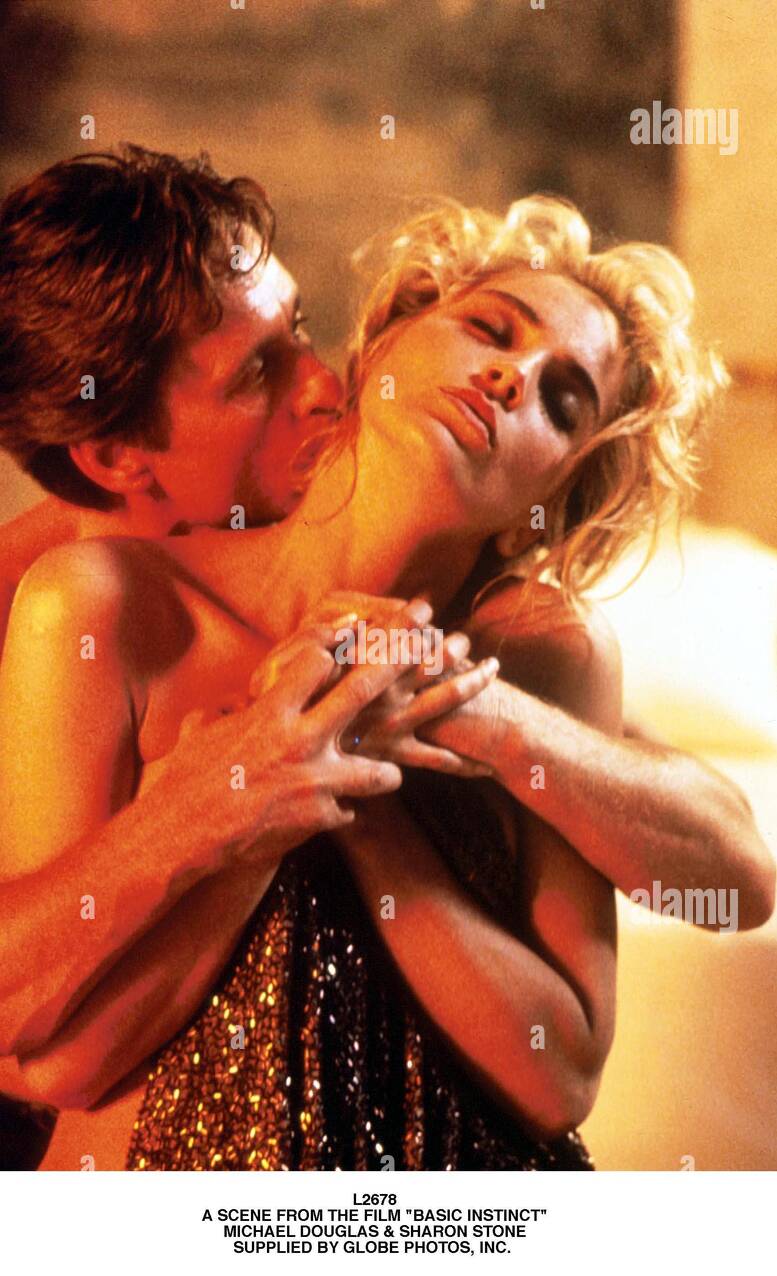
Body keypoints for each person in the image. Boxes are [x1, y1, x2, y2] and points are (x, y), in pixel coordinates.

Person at [2, 189, 768, 1169]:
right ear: (381, 349)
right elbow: (53, 1057)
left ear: (551, 497)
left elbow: (568, 1071)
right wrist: (244, 795)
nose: (514, 376)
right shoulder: (104, 588)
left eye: (563, 402)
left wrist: (415, 745)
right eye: (491, 329)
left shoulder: (542, 653)